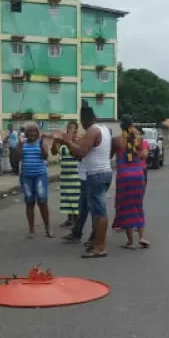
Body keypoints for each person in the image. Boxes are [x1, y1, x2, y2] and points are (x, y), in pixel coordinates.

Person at [53, 105, 113, 259]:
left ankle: (100, 247)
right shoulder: (104, 129)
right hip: (104, 173)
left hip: (96, 175)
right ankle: (96, 242)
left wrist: (66, 141)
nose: (82, 126)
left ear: (85, 119)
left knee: (99, 212)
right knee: (96, 211)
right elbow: (81, 155)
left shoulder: (92, 131)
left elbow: (80, 152)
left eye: (82, 122)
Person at [111, 115, 149, 249]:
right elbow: (144, 155)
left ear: (120, 125)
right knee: (138, 206)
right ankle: (141, 237)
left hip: (124, 177)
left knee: (126, 207)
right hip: (138, 175)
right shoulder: (139, 139)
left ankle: (130, 242)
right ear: (132, 124)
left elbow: (109, 156)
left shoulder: (116, 141)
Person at [13, 122, 53, 238]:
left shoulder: (41, 142)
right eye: (29, 131)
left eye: (34, 131)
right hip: (26, 176)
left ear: (37, 133)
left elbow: (45, 156)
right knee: (29, 201)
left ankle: (47, 228)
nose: (31, 133)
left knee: (42, 200)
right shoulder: (22, 143)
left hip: (40, 175)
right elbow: (17, 158)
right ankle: (31, 230)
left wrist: (41, 146)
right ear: (25, 133)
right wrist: (20, 145)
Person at [52, 121, 81, 227]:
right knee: (67, 198)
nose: (70, 130)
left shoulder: (78, 141)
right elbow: (54, 152)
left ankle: (77, 220)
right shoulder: (63, 142)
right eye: (68, 127)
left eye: (72, 128)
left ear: (76, 130)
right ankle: (69, 219)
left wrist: (68, 141)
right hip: (65, 175)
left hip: (75, 174)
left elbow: (78, 153)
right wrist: (55, 141)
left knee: (75, 198)